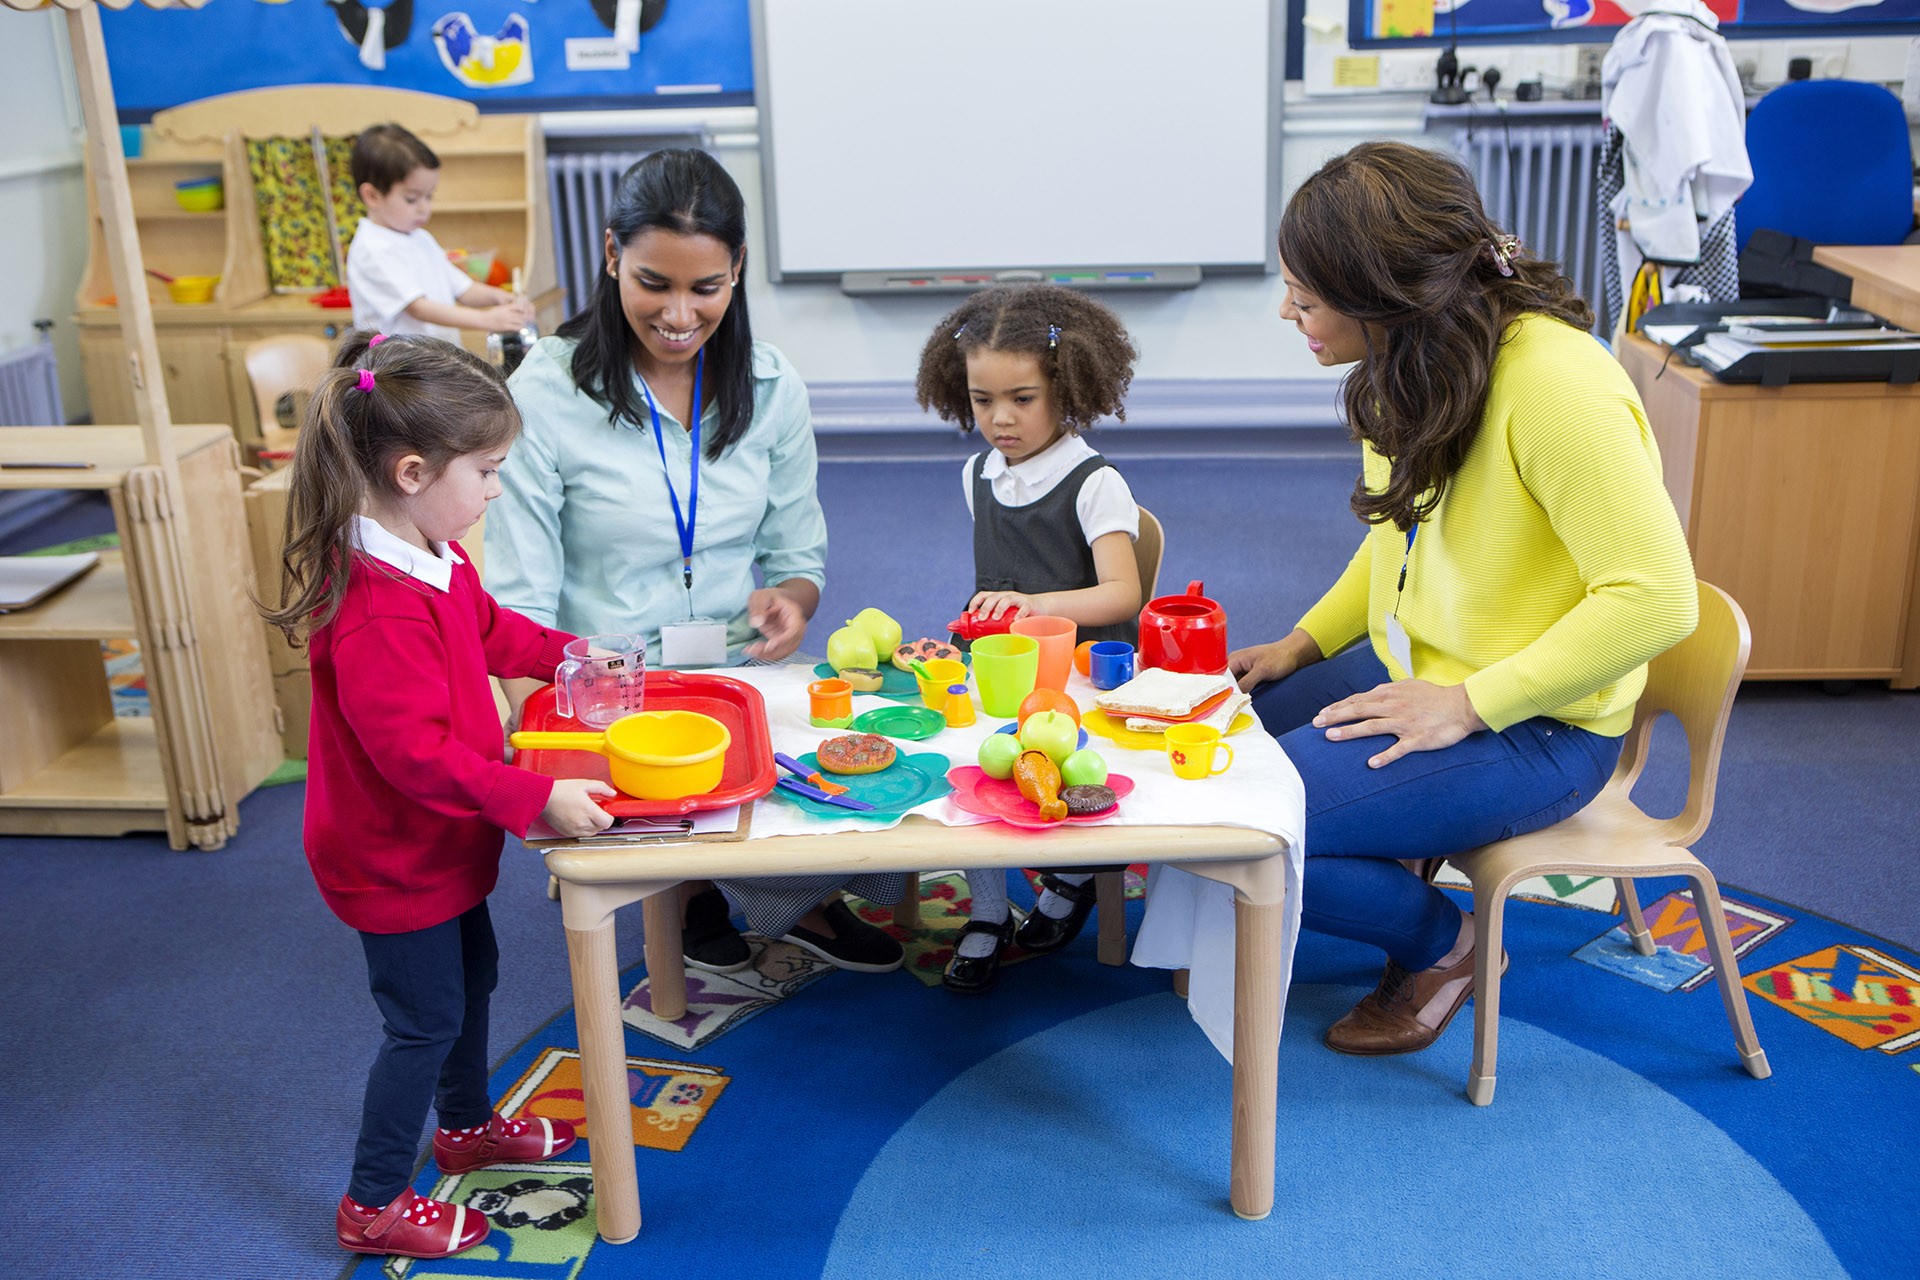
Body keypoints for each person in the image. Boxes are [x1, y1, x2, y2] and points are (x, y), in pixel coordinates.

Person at [1229, 141, 1698, 1056]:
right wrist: (1301, 644)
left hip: (1544, 724)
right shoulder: (1411, 359)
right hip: (1424, 666)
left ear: (1383, 296)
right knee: (1212, 746)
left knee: (1254, 822)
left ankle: (1447, 946)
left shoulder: (1559, 385)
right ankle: (1394, 840)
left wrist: (1466, 705)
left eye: (1307, 298)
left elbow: (1656, 600)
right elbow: (1396, 537)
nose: (1288, 312)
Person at [485, 148, 907, 975]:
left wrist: (792, 600)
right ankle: (706, 890)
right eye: (654, 283)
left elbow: (797, 551)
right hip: (606, 685)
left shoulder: (770, 384)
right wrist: (545, 741)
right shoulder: (547, 392)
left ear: (737, 269)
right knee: (704, 805)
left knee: (862, 779)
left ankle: (742, 885)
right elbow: (519, 591)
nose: (679, 315)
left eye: (705, 288)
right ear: (612, 255)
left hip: (730, 668)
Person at [260, 332, 616, 1261]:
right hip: (393, 859)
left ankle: (465, 1128)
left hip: (444, 843)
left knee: (474, 981)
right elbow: (414, 758)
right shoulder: (377, 607)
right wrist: (534, 797)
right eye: (487, 471)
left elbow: (491, 630)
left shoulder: (436, 551)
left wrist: (573, 655)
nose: (497, 488)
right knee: (422, 1024)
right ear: (413, 472)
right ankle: (373, 1203)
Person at [912, 283, 1144, 994]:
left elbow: (1123, 593)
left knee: (1065, 765)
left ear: (1066, 390)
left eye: (1022, 398)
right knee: (967, 766)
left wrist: (1034, 603)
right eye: (982, 400)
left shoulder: (1094, 481)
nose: (1000, 419)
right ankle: (987, 908)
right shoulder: (977, 474)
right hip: (1004, 670)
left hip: (1078, 678)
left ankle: (1073, 875)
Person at [346, 122, 536, 344]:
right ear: (372, 196)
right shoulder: (372, 248)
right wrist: (486, 319)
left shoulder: (420, 237)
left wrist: (500, 298)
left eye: (429, 196)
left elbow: (463, 289)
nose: (424, 208)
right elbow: (418, 308)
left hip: (432, 356)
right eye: (412, 199)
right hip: (396, 362)